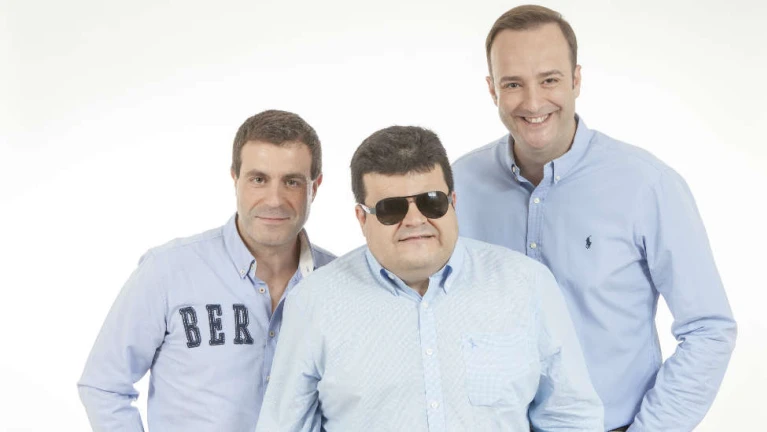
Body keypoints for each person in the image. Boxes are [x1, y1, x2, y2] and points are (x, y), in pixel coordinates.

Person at [451, 5, 737, 431]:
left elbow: (709, 329)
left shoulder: (647, 185)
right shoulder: (458, 185)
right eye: (513, 84)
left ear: (576, 80)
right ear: (492, 89)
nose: (533, 102)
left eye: (549, 79)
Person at [255, 125, 603, 432]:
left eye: (431, 202)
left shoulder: (527, 285)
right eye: (391, 209)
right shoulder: (313, 302)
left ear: (453, 202)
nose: (414, 220)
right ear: (362, 218)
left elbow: (571, 418)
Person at [77, 110, 335, 431]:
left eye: (292, 182)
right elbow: (104, 385)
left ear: (315, 186)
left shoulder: (340, 284)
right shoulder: (167, 271)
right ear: (235, 179)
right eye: (258, 179)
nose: (274, 200)